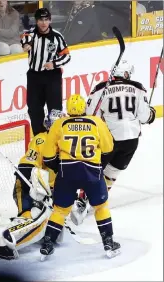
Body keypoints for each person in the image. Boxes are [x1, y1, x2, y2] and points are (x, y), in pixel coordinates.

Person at [72, 60, 156, 226]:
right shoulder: (138, 88)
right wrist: (151, 112)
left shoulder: (100, 89)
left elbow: (89, 114)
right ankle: (98, 199)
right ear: (126, 74)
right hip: (131, 141)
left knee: (94, 169)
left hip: (108, 138)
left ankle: (82, 200)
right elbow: (146, 117)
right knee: (112, 173)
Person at [40, 94, 120, 260]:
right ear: (84, 107)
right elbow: (109, 148)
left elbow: (47, 156)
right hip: (92, 172)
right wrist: (99, 166)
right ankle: (108, 241)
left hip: (66, 173)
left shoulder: (59, 124)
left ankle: (48, 243)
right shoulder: (96, 122)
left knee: (60, 210)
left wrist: (60, 168)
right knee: (101, 206)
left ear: (68, 109)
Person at [0, 110, 64, 260]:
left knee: (55, 232)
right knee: (31, 217)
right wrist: (38, 191)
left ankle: (13, 237)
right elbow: (26, 168)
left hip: (44, 190)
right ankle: (3, 243)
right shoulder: (41, 139)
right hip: (27, 185)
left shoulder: (63, 143)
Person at [20, 8, 71, 136]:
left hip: (52, 76)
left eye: (46, 19)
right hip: (34, 77)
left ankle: (55, 138)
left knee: (55, 110)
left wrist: (53, 64)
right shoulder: (31, 34)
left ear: (50, 20)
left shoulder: (57, 36)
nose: (43, 23)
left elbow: (67, 56)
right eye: (41, 20)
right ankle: (39, 138)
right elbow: (25, 38)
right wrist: (26, 46)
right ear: (36, 21)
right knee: (34, 109)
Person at [13, 109, 64, 219]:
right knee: (22, 180)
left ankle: (27, 217)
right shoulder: (43, 139)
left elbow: (26, 167)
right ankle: (26, 217)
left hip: (52, 191)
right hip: (46, 189)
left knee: (21, 185)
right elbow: (27, 166)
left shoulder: (43, 139)